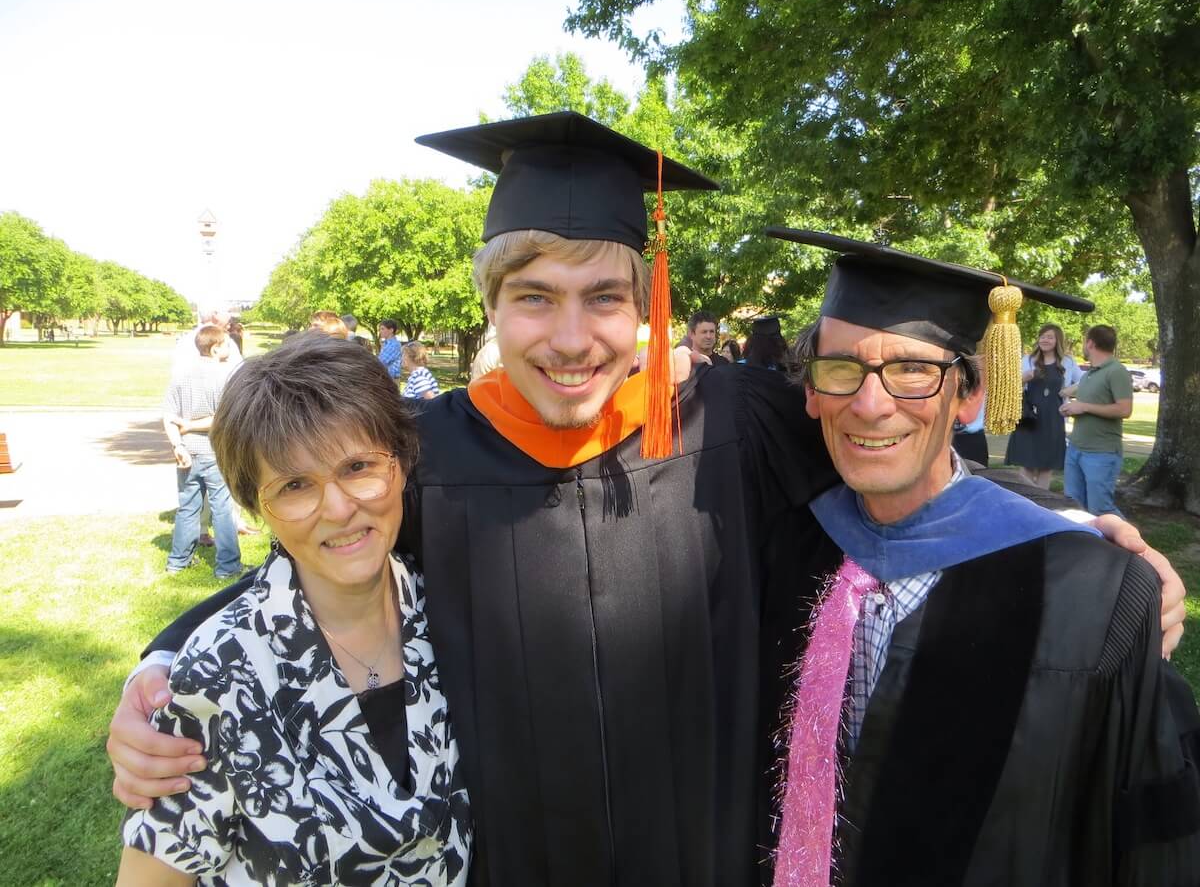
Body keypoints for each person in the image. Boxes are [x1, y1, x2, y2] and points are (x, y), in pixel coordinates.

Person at [107, 114, 1186, 887]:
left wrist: (1072, 533)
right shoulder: (429, 453)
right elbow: (310, 561)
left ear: (646, 301)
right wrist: (162, 664)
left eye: (604, 297)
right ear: (490, 301)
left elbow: (895, 466)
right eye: (533, 298)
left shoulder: (741, 423)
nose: (572, 338)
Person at [760, 229, 1200, 886]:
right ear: (811, 390)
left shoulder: (1088, 595)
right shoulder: (782, 539)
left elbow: (1151, 840)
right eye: (841, 367)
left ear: (967, 397)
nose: (871, 404)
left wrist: (1079, 524)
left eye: (913, 369)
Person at [117, 333, 471, 885]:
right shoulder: (220, 674)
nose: (338, 508)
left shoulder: (449, 616)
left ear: (402, 465)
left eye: (358, 467)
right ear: (256, 508)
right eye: (296, 485)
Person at [162, 325, 242, 579]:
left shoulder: (180, 374)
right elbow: (223, 418)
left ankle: (178, 562)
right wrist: (193, 426)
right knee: (222, 509)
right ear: (216, 347)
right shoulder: (225, 375)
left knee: (187, 507)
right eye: (228, 345)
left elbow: (169, 416)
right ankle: (228, 567)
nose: (230, 350)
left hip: (187, 453)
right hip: (215, 451)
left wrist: (178, 444)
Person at [1060, 324, 1134, 517]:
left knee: (1101, 510)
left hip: (1101, 453)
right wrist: (1072, 409)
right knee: (1074, 508)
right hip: (1076, 448)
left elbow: (1125, 409)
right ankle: (1085, 546)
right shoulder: (1092, 372)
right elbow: (1091, 405)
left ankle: (1132, 547)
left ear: (1090, 343)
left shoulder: (1116, 371)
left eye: (1085, 341)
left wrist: (1083, 407)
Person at [1003, 323, 1083, 487]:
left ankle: (1041, 505)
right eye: (1043, 336)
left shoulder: (1067, 362)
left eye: (1050, 337)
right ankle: (1025, 505)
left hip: (1053, 419)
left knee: (1046, 467)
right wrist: (1023, 379)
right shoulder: (1028, 360)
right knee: (1027, 465)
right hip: (1028, 417)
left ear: (1057, 340)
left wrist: (1069, 390)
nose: (1045, 340)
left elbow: (1086, 381)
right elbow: (1008, 387)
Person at [171, 308, 243, 378]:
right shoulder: (225, 340)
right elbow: (239, 373)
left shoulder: (184, 341)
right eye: (228, 311)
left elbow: (177, 374)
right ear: (215, 315)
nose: (230, 316)